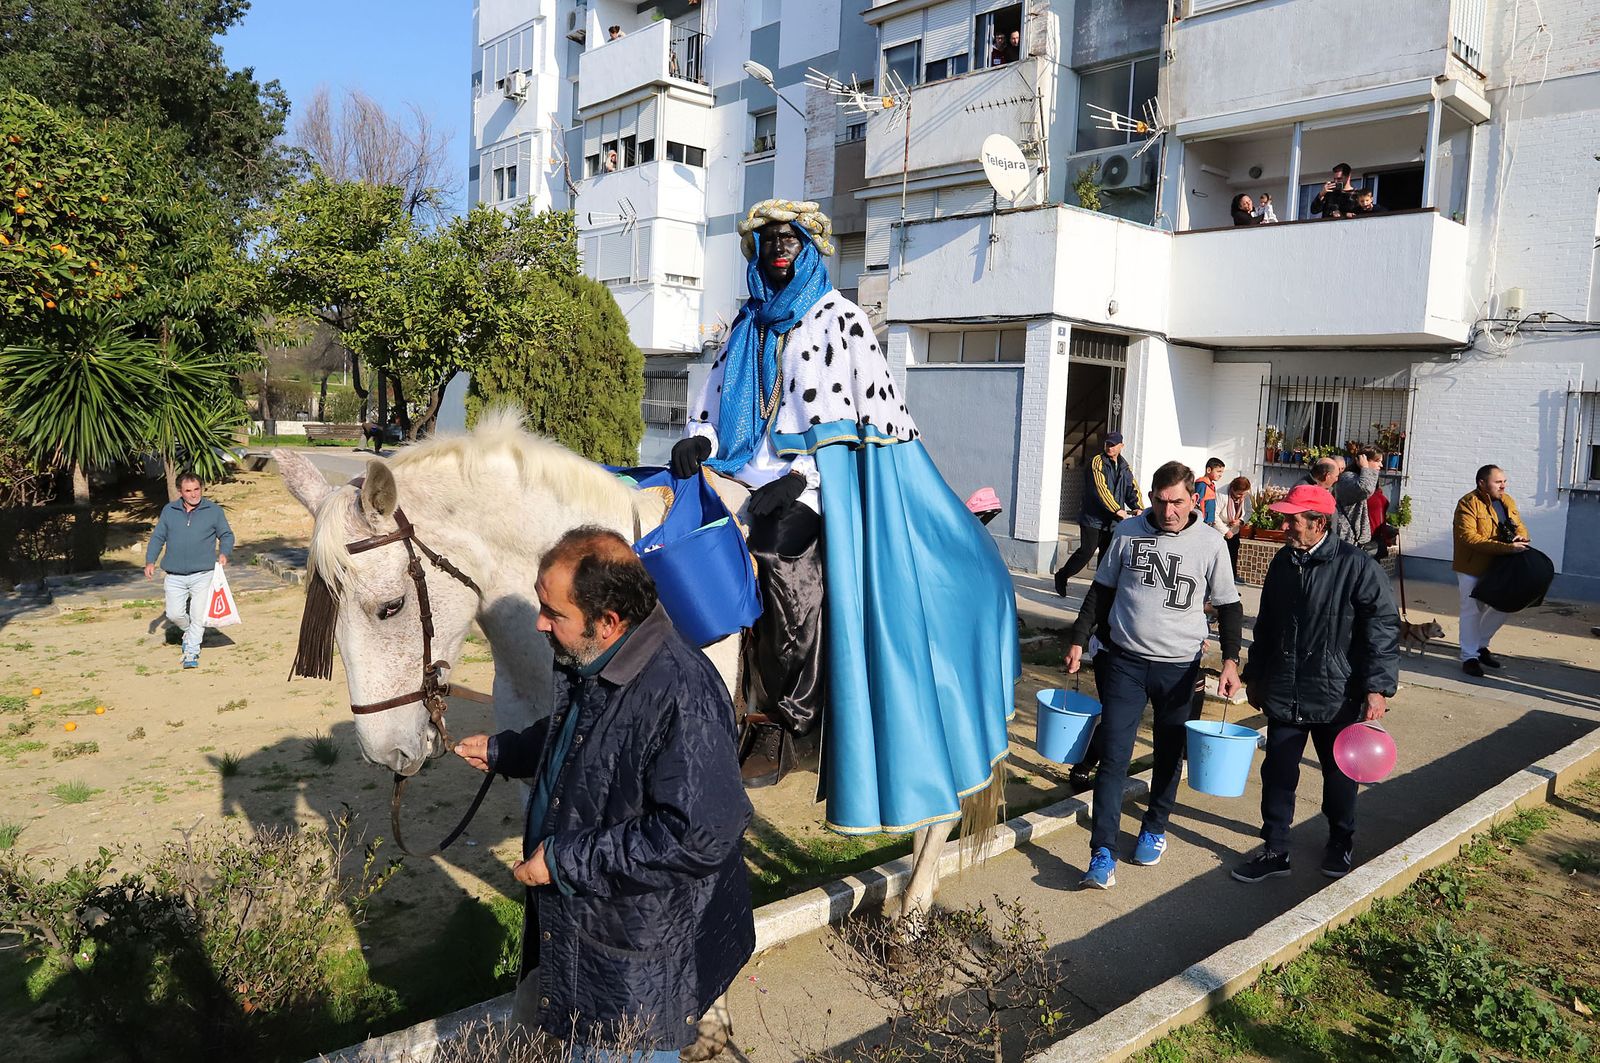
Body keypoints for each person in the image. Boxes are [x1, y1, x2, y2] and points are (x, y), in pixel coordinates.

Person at [672, 199, 1018, 830]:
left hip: (813, 484)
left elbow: (864, 424)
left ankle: (779, 718)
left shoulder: (842, 320)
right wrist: (700, 440)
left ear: (808, 248)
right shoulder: (745, 323)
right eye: (769, 240)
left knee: (777, 552)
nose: (779, 249)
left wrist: (800, 480)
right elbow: (714, 405)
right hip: (740, 470)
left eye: (790, 239)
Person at [453, 527, 753, 1058]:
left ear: (609, 621)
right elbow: (587, 736)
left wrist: (564, 861)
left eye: (554, 613)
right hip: (586, 932)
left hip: (633, 967)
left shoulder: (682, 693)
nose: (540, 622)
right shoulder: (597, 659)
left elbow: (698, 835)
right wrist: (509, 750)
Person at [1065, 461, 1243, 889]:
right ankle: (1102, 852)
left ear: (1193, 498)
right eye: (1160, 502)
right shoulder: (1127, 532)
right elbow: (1101, 590)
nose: (1168, 511)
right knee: (1114, 757)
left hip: (1179, 669)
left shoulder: (1211, 543)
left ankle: (1154, 827)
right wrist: (1078, 638)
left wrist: (1231, 660)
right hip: (1125, 663)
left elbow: (1229, 605)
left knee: (1168, 754)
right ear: (1150, 499)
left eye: (1177, 502)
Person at [1233, 485, 1399, 883]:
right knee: (1278, 773)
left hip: (1337, 693)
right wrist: (1254, 676)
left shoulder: (1357, 567)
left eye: (1292, 520)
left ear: (1318, 523)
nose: (1284, 526)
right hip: (1285, 689)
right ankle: (1275, 848)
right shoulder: (1283, 562)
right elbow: (1267, 626)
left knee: (1339, 776)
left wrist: (1376, 688)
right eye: (1284, 518)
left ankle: (1340, 840)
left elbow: (1381, 629)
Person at [144, 472, 235, 670]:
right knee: (174, 614)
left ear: (201, 488)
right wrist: (150, 561)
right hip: (174, 575)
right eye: (188, 491)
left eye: (196, 489)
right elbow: (158, 537)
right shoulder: (169, 510)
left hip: (203, 573)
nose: (194, 494)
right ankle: (190, 631)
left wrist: (224, 552)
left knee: (198, 614)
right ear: (180, 492)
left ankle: (191, 652)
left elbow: (226, 535)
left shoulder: (214, 511)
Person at [1452, 464, 1530, 678]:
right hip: (1472, 566)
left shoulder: (1507, 501)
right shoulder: (1468, 503)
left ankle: (1480, 645)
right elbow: (1468, 537)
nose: (1503, 486)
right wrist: (1506, 548)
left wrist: (1521, 536)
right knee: (1472, 610)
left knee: (1505, 605)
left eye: (1504, 481)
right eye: (1498, 482)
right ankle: (1469, 657)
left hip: (1500, 565)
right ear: (1482, 483)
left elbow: (1518, 524)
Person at [1054, 433, 1142, 596]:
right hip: (1092, 519)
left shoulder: (1124, 467)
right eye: (1108, 444)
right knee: (1086, 552)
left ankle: (1097, 590)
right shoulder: (1097, 462)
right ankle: (1062, 575)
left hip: (1112, 522)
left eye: (1113, 445)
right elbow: (1100, 490)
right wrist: (1117, 509)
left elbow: (1132, 488)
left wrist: (1138, 507)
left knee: (1106, 556)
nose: (1110, 447)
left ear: (1121, 446)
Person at [1307, 454, 1378, 547]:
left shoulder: (1338, 483)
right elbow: (1366, 489)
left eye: (1343, 469)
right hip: (1338, 538)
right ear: (1328, 473)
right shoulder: (1340, 483)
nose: (1341, 473)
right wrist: (1365, 468)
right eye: (1338, 469)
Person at [1216, 475, 1252, 576]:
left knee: (1233, 556)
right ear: (1232, 489)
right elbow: (1215, 515)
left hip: (1235, 530)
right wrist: (1226, 531)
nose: (1242, 496)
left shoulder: (1245, 494)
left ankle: (1232, 577)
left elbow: (1249, 511)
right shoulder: (1221, 494)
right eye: (1239, 494)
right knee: (1221, 559)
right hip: (1221, 531)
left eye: (1244, 494)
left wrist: (1240, 521)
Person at [1195, 457, 1225, 526]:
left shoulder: (1211, 485)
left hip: (1210, 523)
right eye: (1218, 471)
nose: (1220, 475)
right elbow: (1196, 504)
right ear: (1208, 470)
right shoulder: (1201, 485)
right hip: (1202, 523)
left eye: (1222, 472)